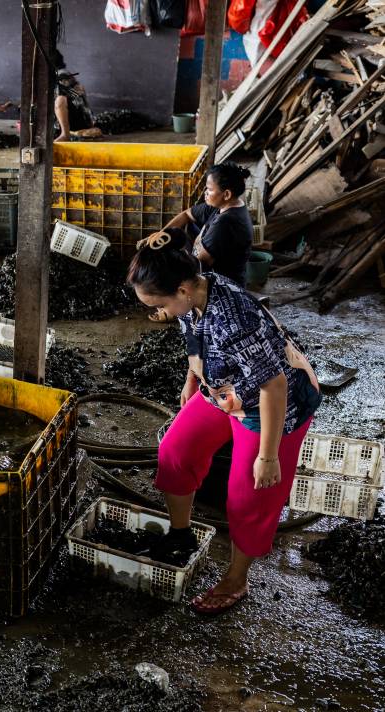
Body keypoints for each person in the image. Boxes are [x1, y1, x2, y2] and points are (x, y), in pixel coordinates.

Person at [127, 230, 320, 615]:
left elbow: (275, 385)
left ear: (181, 290)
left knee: (248, 496)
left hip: (273, 403)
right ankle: (180, 536)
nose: (156, 312)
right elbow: (192, 337)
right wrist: (191, 380)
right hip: (225, 390)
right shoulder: (195, 292)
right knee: (175, 451)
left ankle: (237, 580)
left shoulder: (233, 319)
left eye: (158, 304)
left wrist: (268, 456)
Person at [147, 163, 254, 321]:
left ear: (226, 194)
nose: (205, 193)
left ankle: (174, 309)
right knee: (185, 228)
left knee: (170, 269)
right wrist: (162, 234)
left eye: (209, 190)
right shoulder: (223, 206)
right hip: (210, 266)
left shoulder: (226, 223)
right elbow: (186, 214)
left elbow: (197, 267)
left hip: (223, 287)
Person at [54, 67, 96, 142]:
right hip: (57, 125)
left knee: (60, 100)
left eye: (65, 79)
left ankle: (65, 134)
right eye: (61, 80)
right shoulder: (53, 89)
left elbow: (85, 109)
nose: (64, 82)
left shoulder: (76, 90)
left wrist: (91, 126)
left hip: (75, 123)